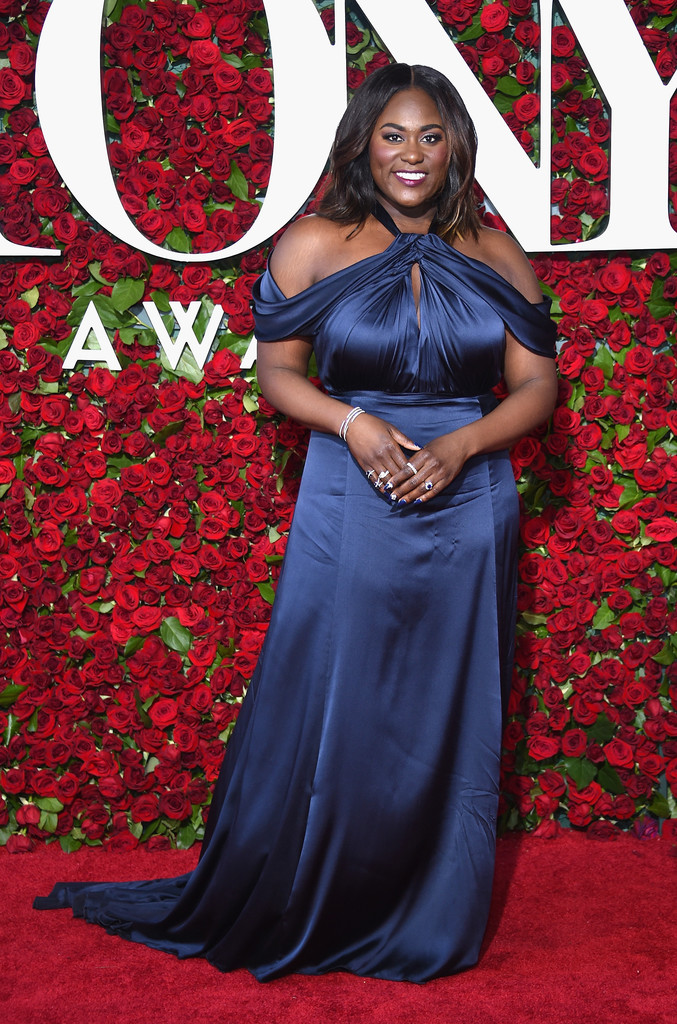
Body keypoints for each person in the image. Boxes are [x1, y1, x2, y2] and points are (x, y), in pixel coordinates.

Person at [35, 63, 557, 982]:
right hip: (349, 486)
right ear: (362, 140)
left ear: (455, 148)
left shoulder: (495, 253)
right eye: (393, 134)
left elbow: (537, 387)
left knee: (451, 706)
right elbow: (276, 373)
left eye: (430, 136)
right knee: (340, 698)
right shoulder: (312, 241)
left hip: (470, 499)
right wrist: (351, 422)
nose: (411, 154)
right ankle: (317, 890)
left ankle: (428, 908)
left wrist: (466, 444)